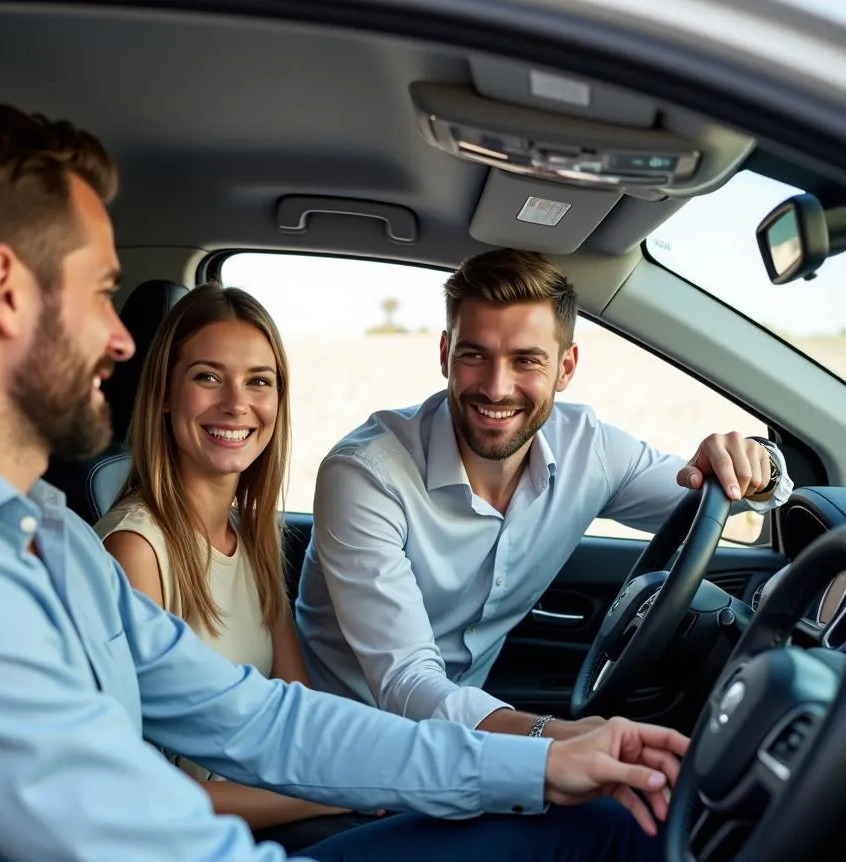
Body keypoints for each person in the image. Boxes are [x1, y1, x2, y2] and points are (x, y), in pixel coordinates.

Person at [0, 99, 824, 862]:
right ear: (2, 290)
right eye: (98, 291)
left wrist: (543, 761)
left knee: (605, 829)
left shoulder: (33, 529)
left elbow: (252, 715)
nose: (123, 337)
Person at [295, 248, 794, 737]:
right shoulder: (365, 475)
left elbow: (712, 493)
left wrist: (757, 464)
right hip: (344, 754)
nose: (496, 387)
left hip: (470, 738)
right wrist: (557, 740)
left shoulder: (588, 448)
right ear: (446, 354)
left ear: (566, 367)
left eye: (525, 360)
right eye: (475, 355)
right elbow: (406, 681)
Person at [97, 283, 367, 845]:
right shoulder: (135, 552)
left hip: (273, 818)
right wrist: (325, 791)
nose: (236, 403)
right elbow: (143, 791)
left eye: (258, 381)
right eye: (208, 376)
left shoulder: (251, 533)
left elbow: (296, 711)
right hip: (202, 851)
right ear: (166, 394)